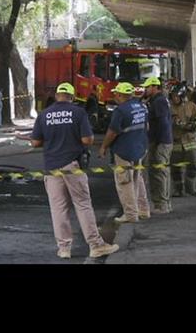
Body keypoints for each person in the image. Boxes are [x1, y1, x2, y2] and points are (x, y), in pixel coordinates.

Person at [31, 82, 119, 260]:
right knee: (83, 205)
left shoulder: (44, 114)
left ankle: (64, 248)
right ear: (71, 97)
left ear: (57, 96)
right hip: (72, 166)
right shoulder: (78, 113)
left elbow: (35, 142)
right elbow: (87, 140)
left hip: (51, 168)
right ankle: (95, 245)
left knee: (58, 209)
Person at [99, 82, 150, 223]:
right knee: (137, 179)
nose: (114, 95)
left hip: (124, 151)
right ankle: (143, 210)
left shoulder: (120, 111)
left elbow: (112, 132)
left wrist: (103, 146)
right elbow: (147, 126)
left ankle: (131, 214)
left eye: (116, 93)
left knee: (125, 183)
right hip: (139, 148)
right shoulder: (141, 106)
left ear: (121, 95)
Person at [142, 76, 173, 214]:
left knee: (160, 173)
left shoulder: (159, 101)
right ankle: (160, 203)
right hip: (160, 141)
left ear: (155, 87)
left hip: (161, 142)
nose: (145, 90)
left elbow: (163, 124)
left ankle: (162, 205)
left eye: (147, 87)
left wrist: (159, 142)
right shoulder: (156, 100)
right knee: (157, 172)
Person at [170, 85, 196, 196]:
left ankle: (190, 188)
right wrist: (173, 122)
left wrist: (193, 126)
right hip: (175, 142)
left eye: (177, 96)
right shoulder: (169, 107)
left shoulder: (191, 106)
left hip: (190, 141)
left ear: (182, 96)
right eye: (173, 96)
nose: (175, 98)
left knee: (193, 165)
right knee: (175, 167)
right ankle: (178, 190)